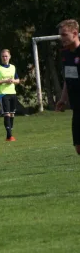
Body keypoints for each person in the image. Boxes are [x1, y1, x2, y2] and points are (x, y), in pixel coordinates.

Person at [55, 19, 80, 155]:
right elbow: (68, 78)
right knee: (78, 148)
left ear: (75, 33)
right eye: (60, 35)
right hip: (76, 107)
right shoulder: (65, 54)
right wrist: (63, 99)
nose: (62, 38)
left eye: (64, 35)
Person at [0, 49, 20, 141]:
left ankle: (10, 134)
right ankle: (9, 135)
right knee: (6, 113)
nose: (4, 58)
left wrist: (13, 81)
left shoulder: (13, 67)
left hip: (12, 93)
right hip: (3, 93)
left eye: (6, 56)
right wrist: (5, 81)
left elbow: (18, 80)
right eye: (3, 56)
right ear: (1, 57)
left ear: (9, 57)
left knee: (12, 114)